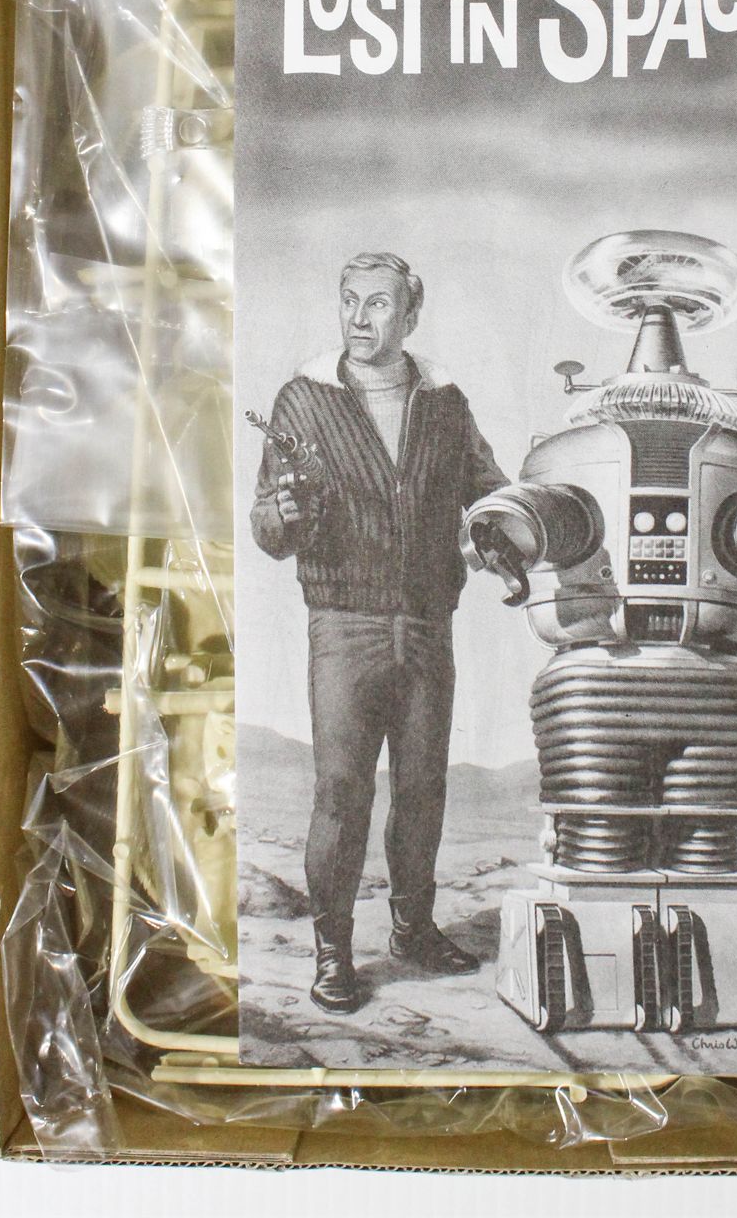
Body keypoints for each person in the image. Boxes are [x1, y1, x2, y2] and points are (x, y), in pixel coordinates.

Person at [251, 250, 509, 1014]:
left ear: (410, 315)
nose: (359, 318)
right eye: (349, 301)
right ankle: (333, 954)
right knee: (341, 792)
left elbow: (488, 491)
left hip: (427, 625)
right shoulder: (304, 399)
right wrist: (281, 516)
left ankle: (413, 931)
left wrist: (503, 533)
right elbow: (265, 524)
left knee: (423, 789)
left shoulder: (445, 403)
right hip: (344, 625)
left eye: (378, 303)